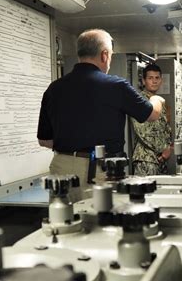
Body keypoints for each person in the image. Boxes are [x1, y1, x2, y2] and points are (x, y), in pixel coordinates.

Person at [37, 28, 162, 199]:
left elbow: (44, 140)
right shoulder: (116, 86)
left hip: (61, 170)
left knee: (64, 222)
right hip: (99, 170)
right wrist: (156, 99)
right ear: (104, 55)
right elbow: (152, 114)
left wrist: (74, 147)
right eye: (110, 55)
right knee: (101, 221)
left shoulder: (53, 89)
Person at [131, 64, 173, 176]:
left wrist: (168, 148)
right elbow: (144, 132)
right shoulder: (140, 101)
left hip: (159, 158)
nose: (154, 81)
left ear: (161, 80)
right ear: (144, 81)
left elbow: (163, 128)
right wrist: (165, 150)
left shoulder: (157, 101)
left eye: (157, 78)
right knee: (146, 193)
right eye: (150, 78)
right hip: (146, 160)